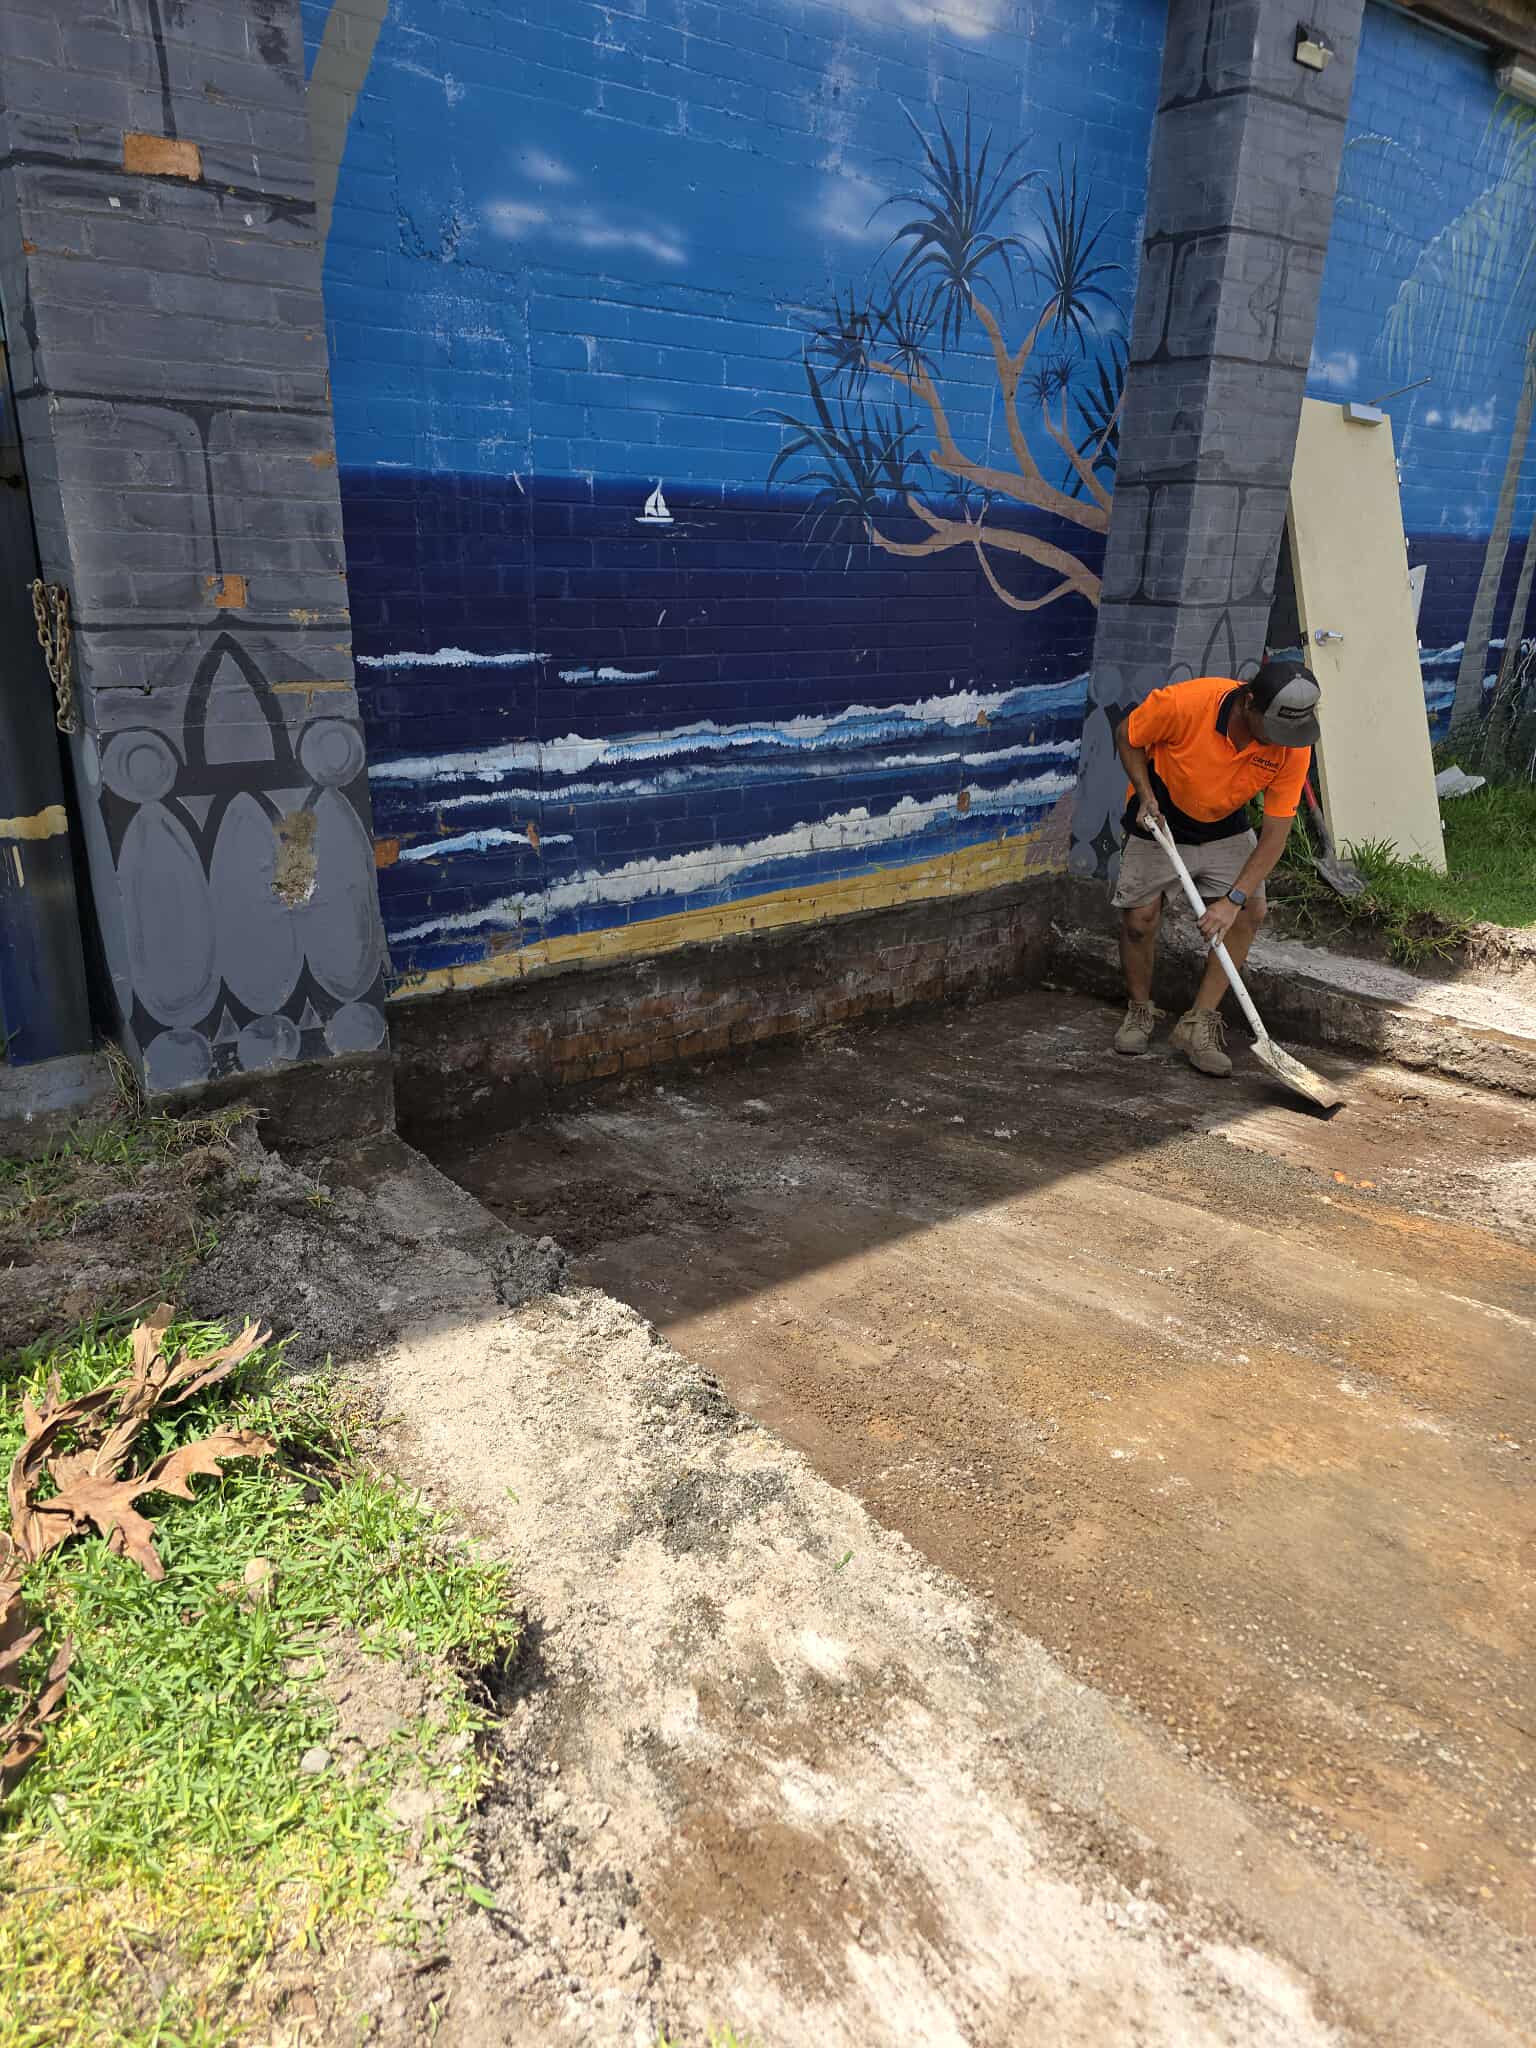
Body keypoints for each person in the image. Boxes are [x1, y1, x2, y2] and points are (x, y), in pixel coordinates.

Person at [1112, 661, 1322, 1076]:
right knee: (1139, 920)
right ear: (1249, 703)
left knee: (1249, 912)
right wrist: (1145, 794)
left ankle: (1198, 1024)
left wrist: (1233, 900)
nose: (1279, 742)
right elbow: (1127, 734)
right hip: (1161, 814)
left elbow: (1274, 837)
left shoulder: (1293, 744)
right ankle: (1139, 1010)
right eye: (1272, 729)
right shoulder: (1186, 704)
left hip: (1225, 823)